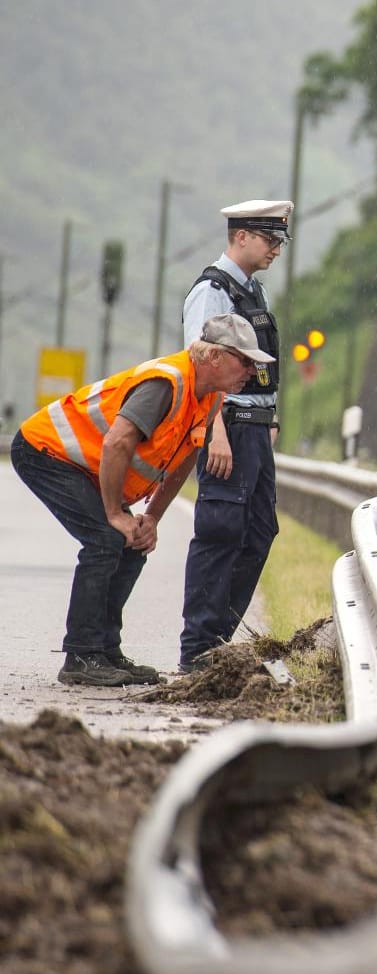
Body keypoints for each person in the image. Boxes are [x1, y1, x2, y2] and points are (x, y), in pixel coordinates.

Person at [10, 317, 271, 686]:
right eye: (244, 361)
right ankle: (81, 656)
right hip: (46, 451)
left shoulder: (211, 398)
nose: (252, 370)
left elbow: (183, 462)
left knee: (132, 543)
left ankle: (104, 650)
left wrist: (150, 518)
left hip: (85, 466)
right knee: (106, 538)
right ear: (214, 355)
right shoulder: (167, 382)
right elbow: (118, 441)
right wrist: (116, 513)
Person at [179, 198, 293, 672]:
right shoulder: (213, 291)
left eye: (280, 242)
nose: (275, 251)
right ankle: (198, 647)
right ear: (241, 236)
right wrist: (214, 430)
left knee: (259, 531)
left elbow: (257, 365)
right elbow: (199, 366)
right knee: (220, 530)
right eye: (269, 240)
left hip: (254, 428)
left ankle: (217, 639)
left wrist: (269, 422)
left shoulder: (253, 293)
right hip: (226, 424)